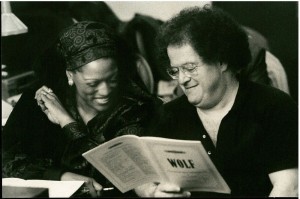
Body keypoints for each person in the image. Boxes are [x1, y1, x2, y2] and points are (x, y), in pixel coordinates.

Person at [134, 5, 298, 197]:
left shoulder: (273, 106)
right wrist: (153, 192)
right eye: (175, 70)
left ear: (222, 61)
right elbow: (141, 176)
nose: (182, 79)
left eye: (190, 67)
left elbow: (288, 187)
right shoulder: (169, 114)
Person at [2, 21, 161, 197]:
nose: (105, 91)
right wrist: (59, 176)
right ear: (70, 75)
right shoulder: (41, 101)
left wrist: (68, 123)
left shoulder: (136, 109)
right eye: (93, 83)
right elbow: (6, 158)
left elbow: (122, 175)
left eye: (112, 79)